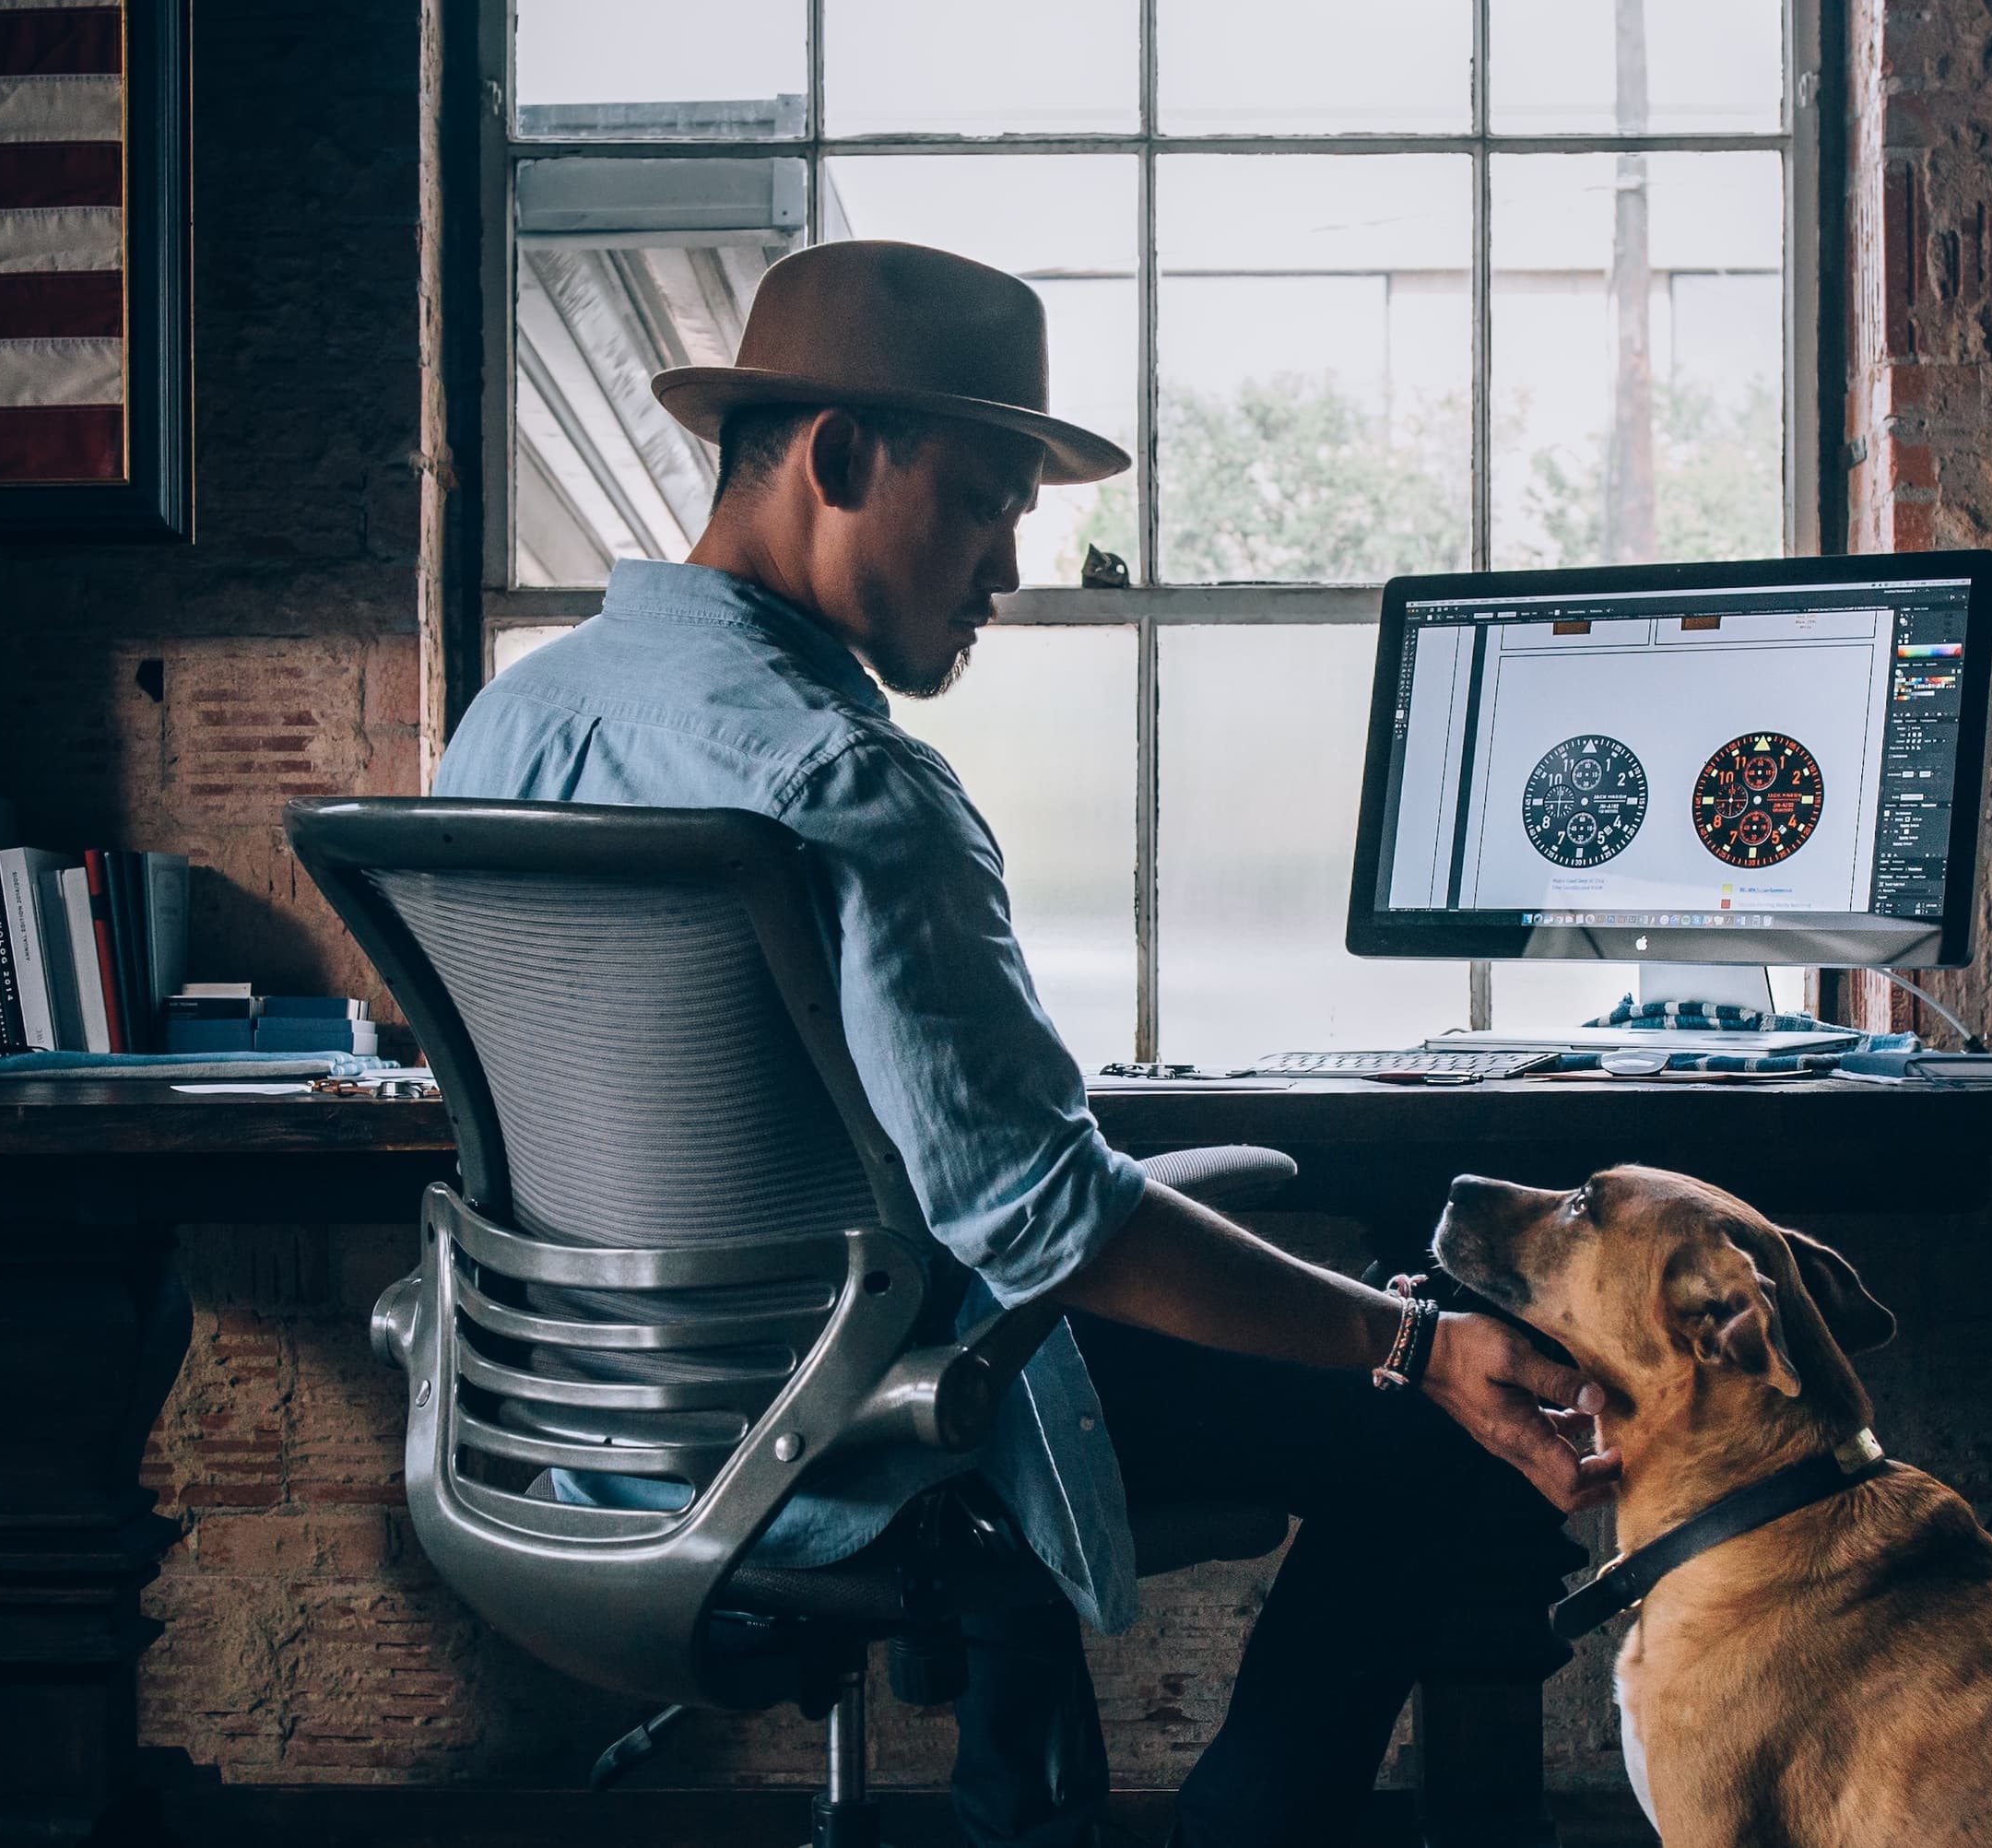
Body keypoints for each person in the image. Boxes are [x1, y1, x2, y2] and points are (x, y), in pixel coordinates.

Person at [432, 239, 1608, 1848]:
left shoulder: (500, 732)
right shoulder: (856, 787)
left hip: (585, 1424)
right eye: (983, 501)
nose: (1005, 568)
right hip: (851, 1426)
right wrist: (1406, 1340)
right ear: (840, 459)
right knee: (1448, 1431)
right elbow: (1044, 1219)